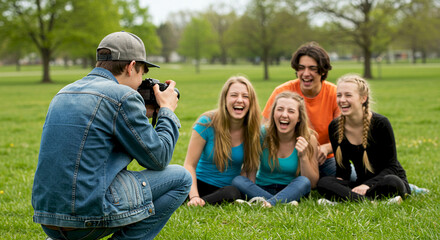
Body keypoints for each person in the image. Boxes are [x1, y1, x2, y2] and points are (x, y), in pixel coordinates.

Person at [31, 31, 192, 240]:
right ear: (131, 66)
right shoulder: (122, 97)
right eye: (141, 73)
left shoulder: (64, 92)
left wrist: (143, 114)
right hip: (86, 218)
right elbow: (158, 158)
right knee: (181, 178)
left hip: (49, 219)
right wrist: (167, 111)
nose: (140, 82)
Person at [317, 74, 411, 204]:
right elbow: (343, 170)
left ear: (363, 98)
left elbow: (392, 166)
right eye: (339, 95)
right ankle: (371, 202)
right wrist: (336, 186)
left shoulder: (380, 123)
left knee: (392, 181)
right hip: (360, 183)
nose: (342, 100)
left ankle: (348, 200)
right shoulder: (335, 127)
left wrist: (366, 186)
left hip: (386, 181)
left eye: (348, 95)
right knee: (324, 182)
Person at [262, 42, 340, 178]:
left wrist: (326, 148)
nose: (306, 73)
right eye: (301, 68)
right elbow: (264, 128)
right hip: (290, 159)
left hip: (323, 158)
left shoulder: (335, 94)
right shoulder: (282, 91)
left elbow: (344, 136)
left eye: (312, 68)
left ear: (322, 71)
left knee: (352, 178)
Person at [184, 76, 262, 207]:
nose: (239, 100)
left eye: (245, 96)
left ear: (251, 102)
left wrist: (249, 192)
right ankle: (195, 202)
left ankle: (202, 203)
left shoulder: (253, 129)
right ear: (225, 99)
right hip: (198, 185)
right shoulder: (207, 122)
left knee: (232, 193)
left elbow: (250, 168)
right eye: (234, 95)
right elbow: (189, 165)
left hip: (227, 190)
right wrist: (195, 196)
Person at [232, 92, 319, 207]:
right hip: (262, 187)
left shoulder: (308, 138)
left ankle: (265, 203)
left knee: (303, 181)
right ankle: (279, 203)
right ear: (273, 114)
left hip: (291, 190)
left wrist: (303, 157)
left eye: (291, 111)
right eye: (280, 109)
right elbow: (251, 167)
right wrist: (250, 188)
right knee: (238, 180)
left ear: (299, 118)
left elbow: (311, 183)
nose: (284, 115)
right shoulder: (261, 134)